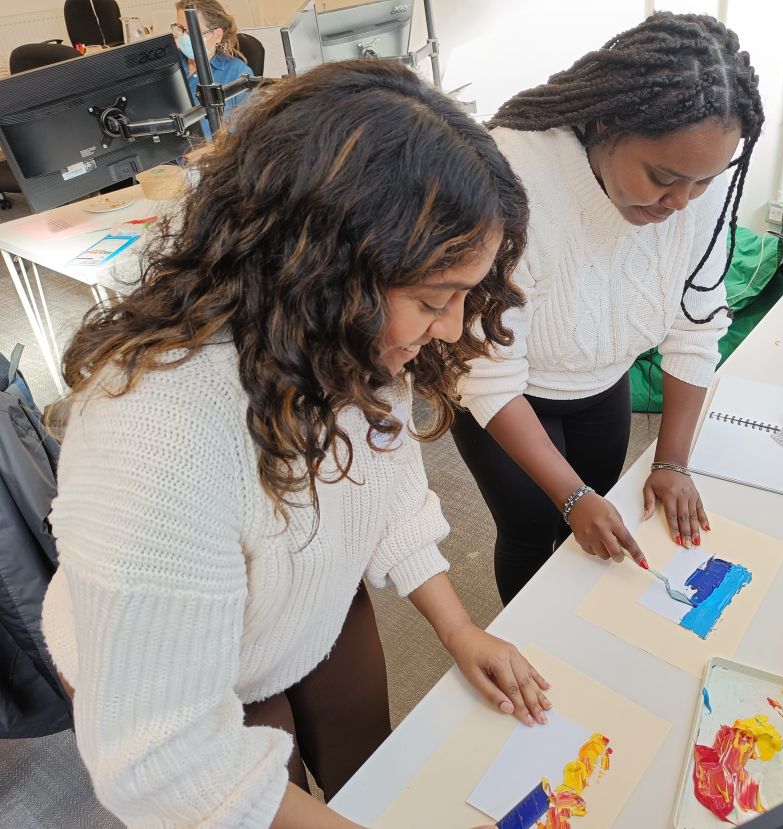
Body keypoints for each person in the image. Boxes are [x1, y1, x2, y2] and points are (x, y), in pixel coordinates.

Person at [41, 60, 543, 829]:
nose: (450, 326)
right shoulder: (155, 434)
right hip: (186, 665)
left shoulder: (348, 340)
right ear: (324, 269)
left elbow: (392, 491)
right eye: (434, 300)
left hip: (304, 602)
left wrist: (459, 627)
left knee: (371, 773)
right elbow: (167, 762)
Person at [452, 12, 766, 604]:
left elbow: (695, 329)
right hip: (503, 394)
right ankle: (532, 649)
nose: (681, 203)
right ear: (605, 122)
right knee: (531, 528)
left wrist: (672, 462)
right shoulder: (514, 182)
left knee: (600, 511)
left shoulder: (698, 187)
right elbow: (488, 373)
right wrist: (570, 498)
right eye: (663, 178)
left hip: (602, 381)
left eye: (701, 184)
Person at [172, 0, 253, 136]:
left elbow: (250, 134)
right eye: (181, 29)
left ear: (216, 35)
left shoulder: (237, 73)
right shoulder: (171, 65)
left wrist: (210, 150)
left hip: (212, 155)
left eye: (191, 32)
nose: (184, 38)